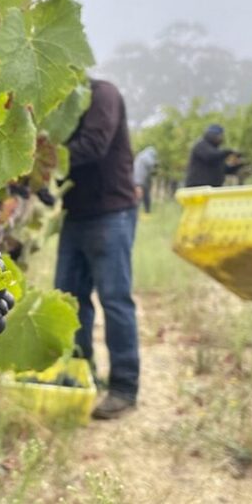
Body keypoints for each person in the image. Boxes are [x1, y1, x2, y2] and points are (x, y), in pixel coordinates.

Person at [57, 79, 141, 420]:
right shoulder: (56, 107)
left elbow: (94, 143)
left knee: (115, 298)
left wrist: (44, 157)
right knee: (69, 299)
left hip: (111, 213)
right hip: (75, 214)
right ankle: (81, 375)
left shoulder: (101, 93)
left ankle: (124, 386)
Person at [133, 145, 158, 212]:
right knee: (144, 196)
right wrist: (156, 164)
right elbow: (152, 165)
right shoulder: (147, 157)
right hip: (141, 180)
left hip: (135, 178)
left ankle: (136, 209)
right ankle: (147, 211)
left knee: (137, 195)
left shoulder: (140, 155)